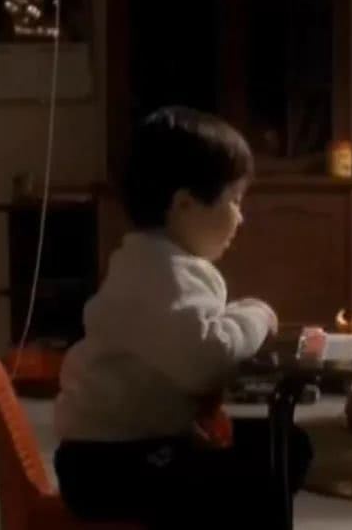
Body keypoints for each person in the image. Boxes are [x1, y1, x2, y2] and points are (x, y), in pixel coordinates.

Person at [52, 106, 312, 529]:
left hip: (117, 452)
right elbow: (205, 359)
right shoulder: (164, 271)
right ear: (185, 205)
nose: (241, 217)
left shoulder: (151, 260)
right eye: (234, 201)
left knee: (285, 447)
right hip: (110, 465)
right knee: (271, 462)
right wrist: (258, 314)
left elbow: (189, 339)